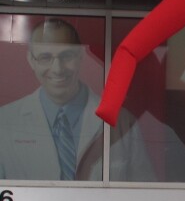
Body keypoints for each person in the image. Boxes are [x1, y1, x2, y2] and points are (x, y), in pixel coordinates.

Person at [0, 17, 155, 181]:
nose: (57, 69)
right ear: (31, 60)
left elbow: (144, 195)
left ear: (80, 56)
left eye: (66, 56)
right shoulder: (4, 121)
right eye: (45, 57)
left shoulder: (123, 122)